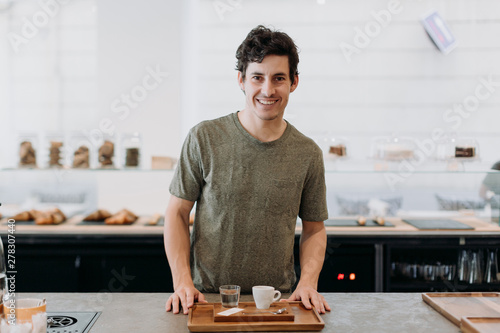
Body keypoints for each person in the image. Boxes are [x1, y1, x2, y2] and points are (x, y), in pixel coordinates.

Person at [164, 25, 330, 315]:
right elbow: (177, 213)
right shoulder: (204, 138)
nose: (268, 90)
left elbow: (314, 229)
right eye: (257, 77)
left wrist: (308, 283)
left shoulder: (308, 153)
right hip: (207, 300)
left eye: (279, 78)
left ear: (294, 82)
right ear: (241, 80)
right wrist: (182, 283)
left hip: (279, 303)